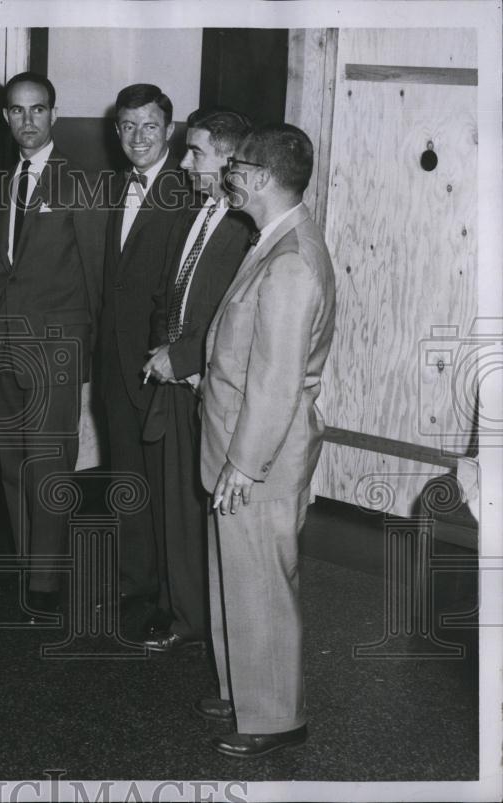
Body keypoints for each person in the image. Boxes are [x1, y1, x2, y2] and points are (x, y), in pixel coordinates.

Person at [195, 123, 336, 758]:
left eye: (234, 168)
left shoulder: (292, 261)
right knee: (237, 577)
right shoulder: (277, 239)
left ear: (255, 177)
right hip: (241, 439)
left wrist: (245, 464)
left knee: (262, 583)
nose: (227, 177)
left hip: (260, 452)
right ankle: (244, 692)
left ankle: (277, 717)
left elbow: (277, 381)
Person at [0, 72, 107, 621]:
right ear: (5, 117)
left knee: (50, 463)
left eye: (37, 110)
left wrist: (89, 350)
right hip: (1, 340)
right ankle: (24, 562)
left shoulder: (80, 182)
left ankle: (46, 577)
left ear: (54, 114)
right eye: (17, 110)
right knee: (12, 463)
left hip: (56, 343)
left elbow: (96, 273)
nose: (27, 120)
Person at [140, 107, 255, 651]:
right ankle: (179, 609)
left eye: (196, 152)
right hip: (173, 382)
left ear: (230, 161)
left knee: (201, 509)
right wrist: (164, 352)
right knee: (176, 505)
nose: (184, 164)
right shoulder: (196, 212)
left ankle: (198, 620)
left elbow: (230, 319)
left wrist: (184, 359)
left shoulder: (247, 230)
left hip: (208, 386)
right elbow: (172, 293)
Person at [96, 83, 188, 630]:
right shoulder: (112, 186)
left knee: (163, 481)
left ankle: (172, 598)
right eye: (128, 126)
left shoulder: (188, 191)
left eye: (149, 126)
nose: (137, 137)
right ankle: (134, 582)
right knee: (125, 474)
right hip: (114, 360)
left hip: (159, 362)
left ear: (169, 130)